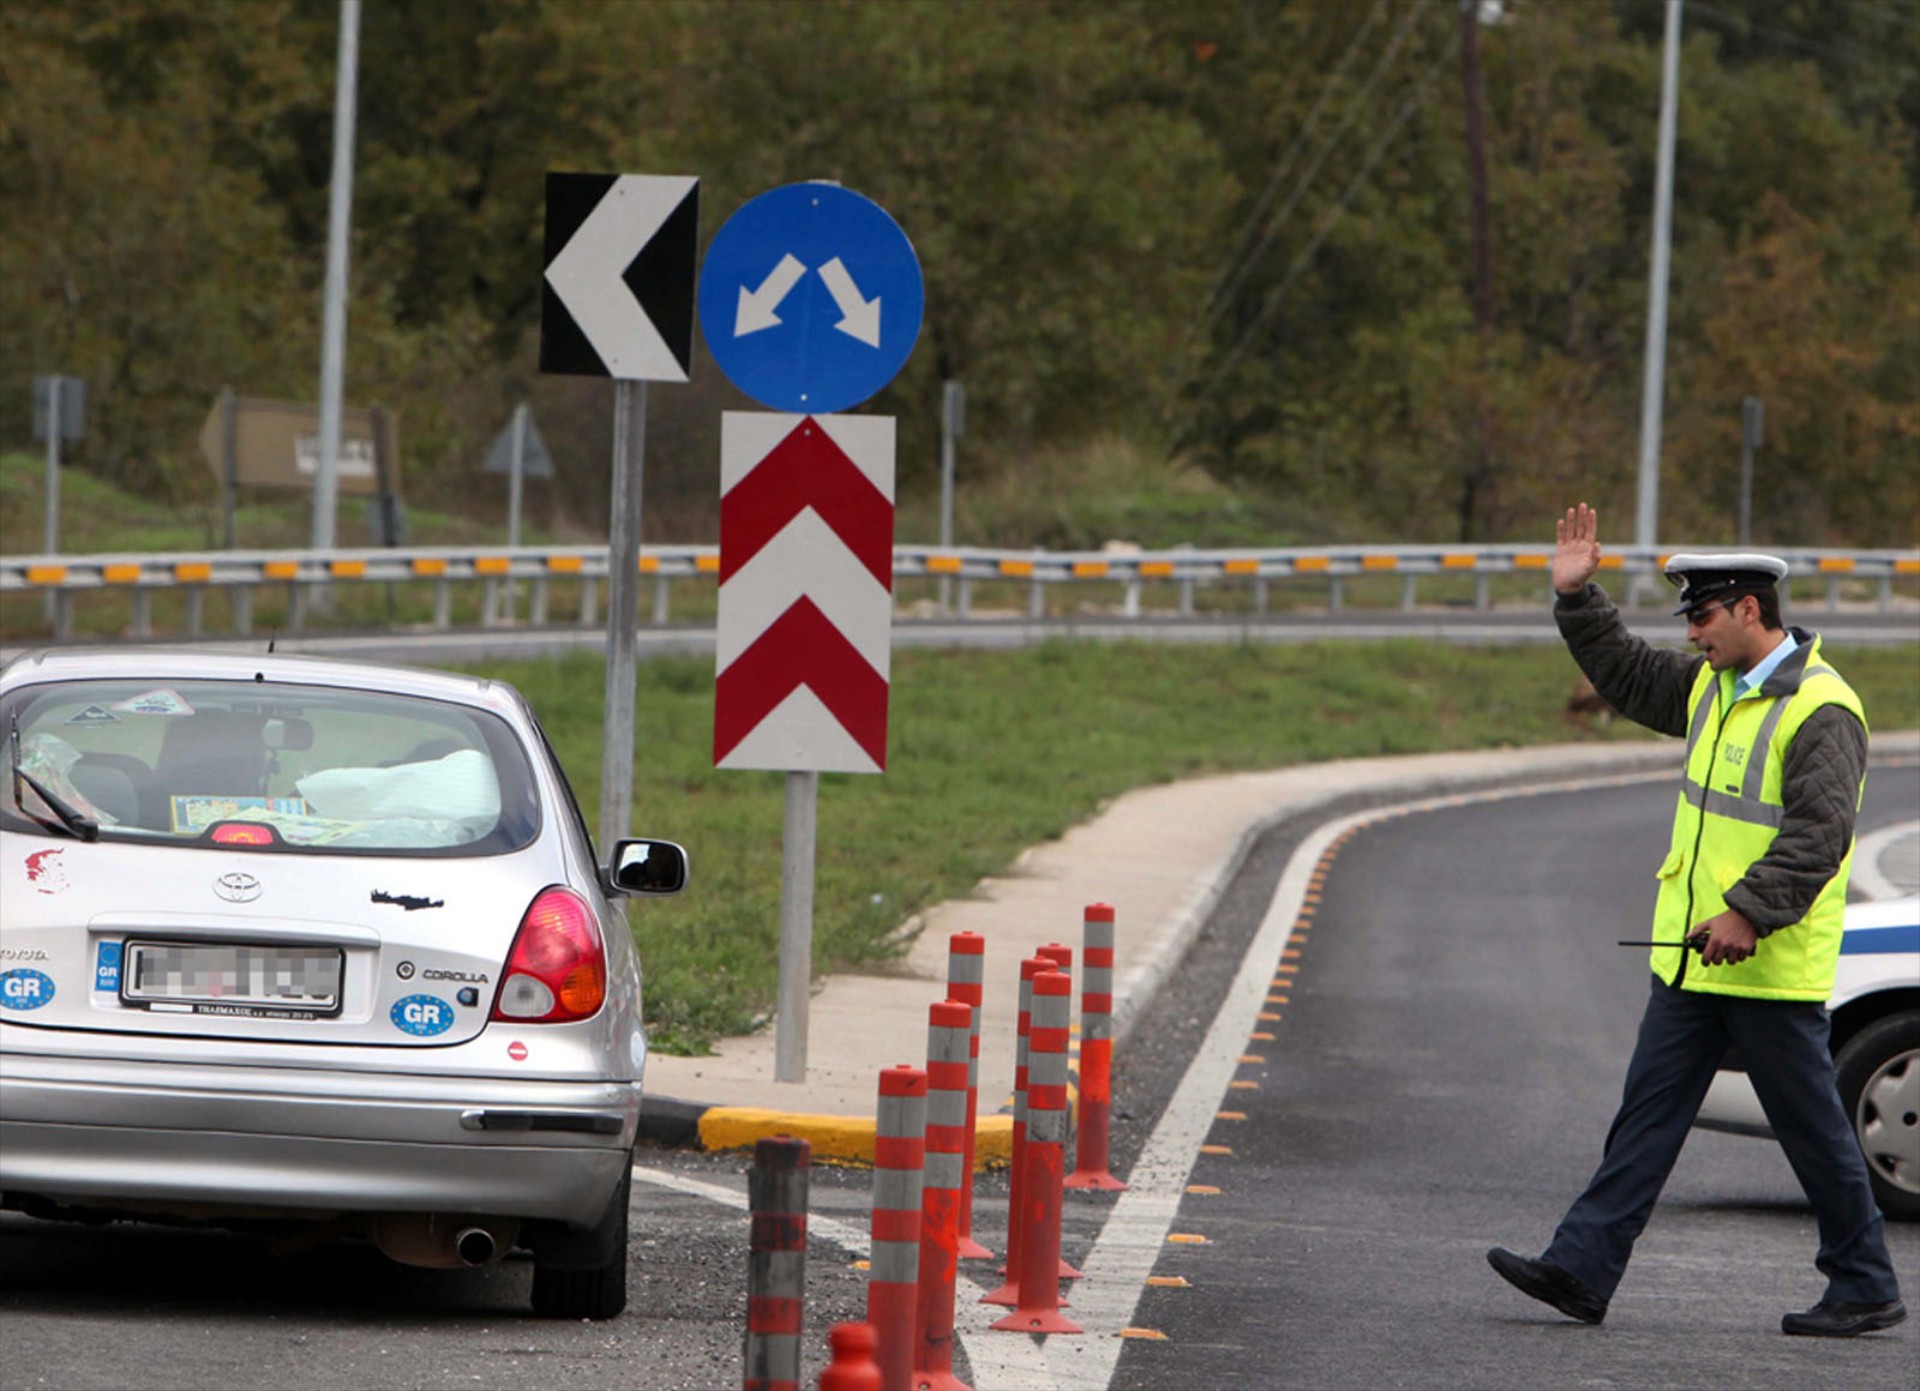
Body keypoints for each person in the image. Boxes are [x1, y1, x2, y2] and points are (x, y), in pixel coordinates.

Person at [1486, 503, 1905, 1337]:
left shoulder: (1823, 709)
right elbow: (1631, 675)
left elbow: (1819, 837)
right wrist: (1579, 599)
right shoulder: (1717, 686)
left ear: (1751, 610)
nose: (1692, 635)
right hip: (1693, 961)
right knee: (1646, 1117)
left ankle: (1863, 1283)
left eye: (1704, 616)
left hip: (1766, 964)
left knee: (1816, 1132)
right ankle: (1582, 1266)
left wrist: (1748, 913)